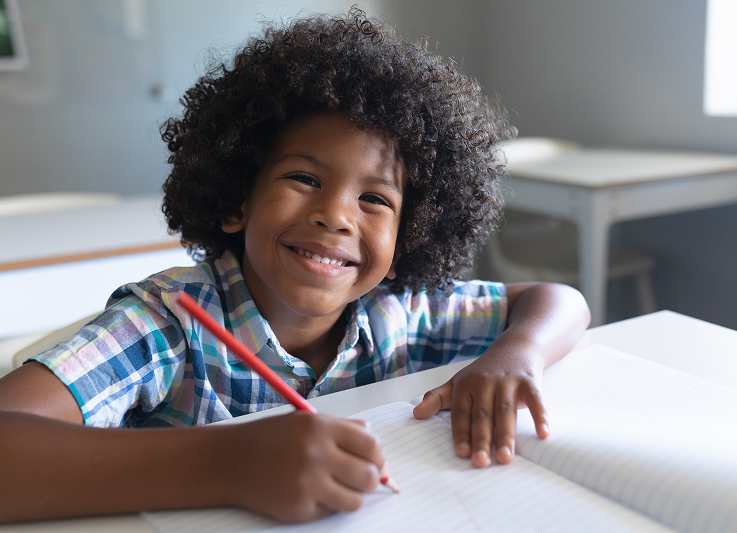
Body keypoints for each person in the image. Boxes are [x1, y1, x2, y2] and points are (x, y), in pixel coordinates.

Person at [0, 7, 589, 525]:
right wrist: (232, 464)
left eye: (375, 199)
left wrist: (516, 354)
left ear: (406, 241)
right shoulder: (166, 328)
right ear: (237, 199)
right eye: (304, 178)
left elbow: (558, 300)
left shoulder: (399, 310)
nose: (336, 216)